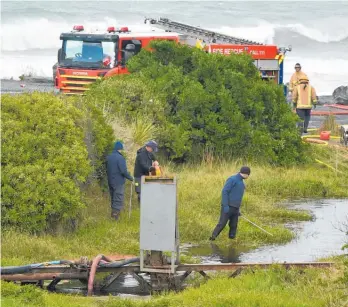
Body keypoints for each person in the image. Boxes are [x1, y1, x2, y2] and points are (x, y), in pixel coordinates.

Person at [210, 166, 251, 241]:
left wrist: (238, 209)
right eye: (249, 175)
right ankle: (212, 238)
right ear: (246, 174)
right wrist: (225, 205)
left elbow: (238, 196)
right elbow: (224, 192)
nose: (248, 176)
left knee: (233, 225)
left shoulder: (242, 182)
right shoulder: (232, 179)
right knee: (222, 224)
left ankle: (231, 241)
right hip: (228, 207)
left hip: (235, 208)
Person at [106, 141, 133, 220]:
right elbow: (123, 171)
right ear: (120, 149)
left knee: (113, 197)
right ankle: (115, 217)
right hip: (118, 181)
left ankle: (113, 215)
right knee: (118, 198)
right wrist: (130, 178)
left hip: (110, 180)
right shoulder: (120, 158)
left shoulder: (109, 157)